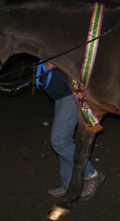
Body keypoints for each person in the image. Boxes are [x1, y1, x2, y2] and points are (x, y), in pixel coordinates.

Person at [41, 65, 106, 200]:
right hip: (63, 85)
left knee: (59, 141)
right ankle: (68, 184)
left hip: (75, 88)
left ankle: (91, 174)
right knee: (64, 138)